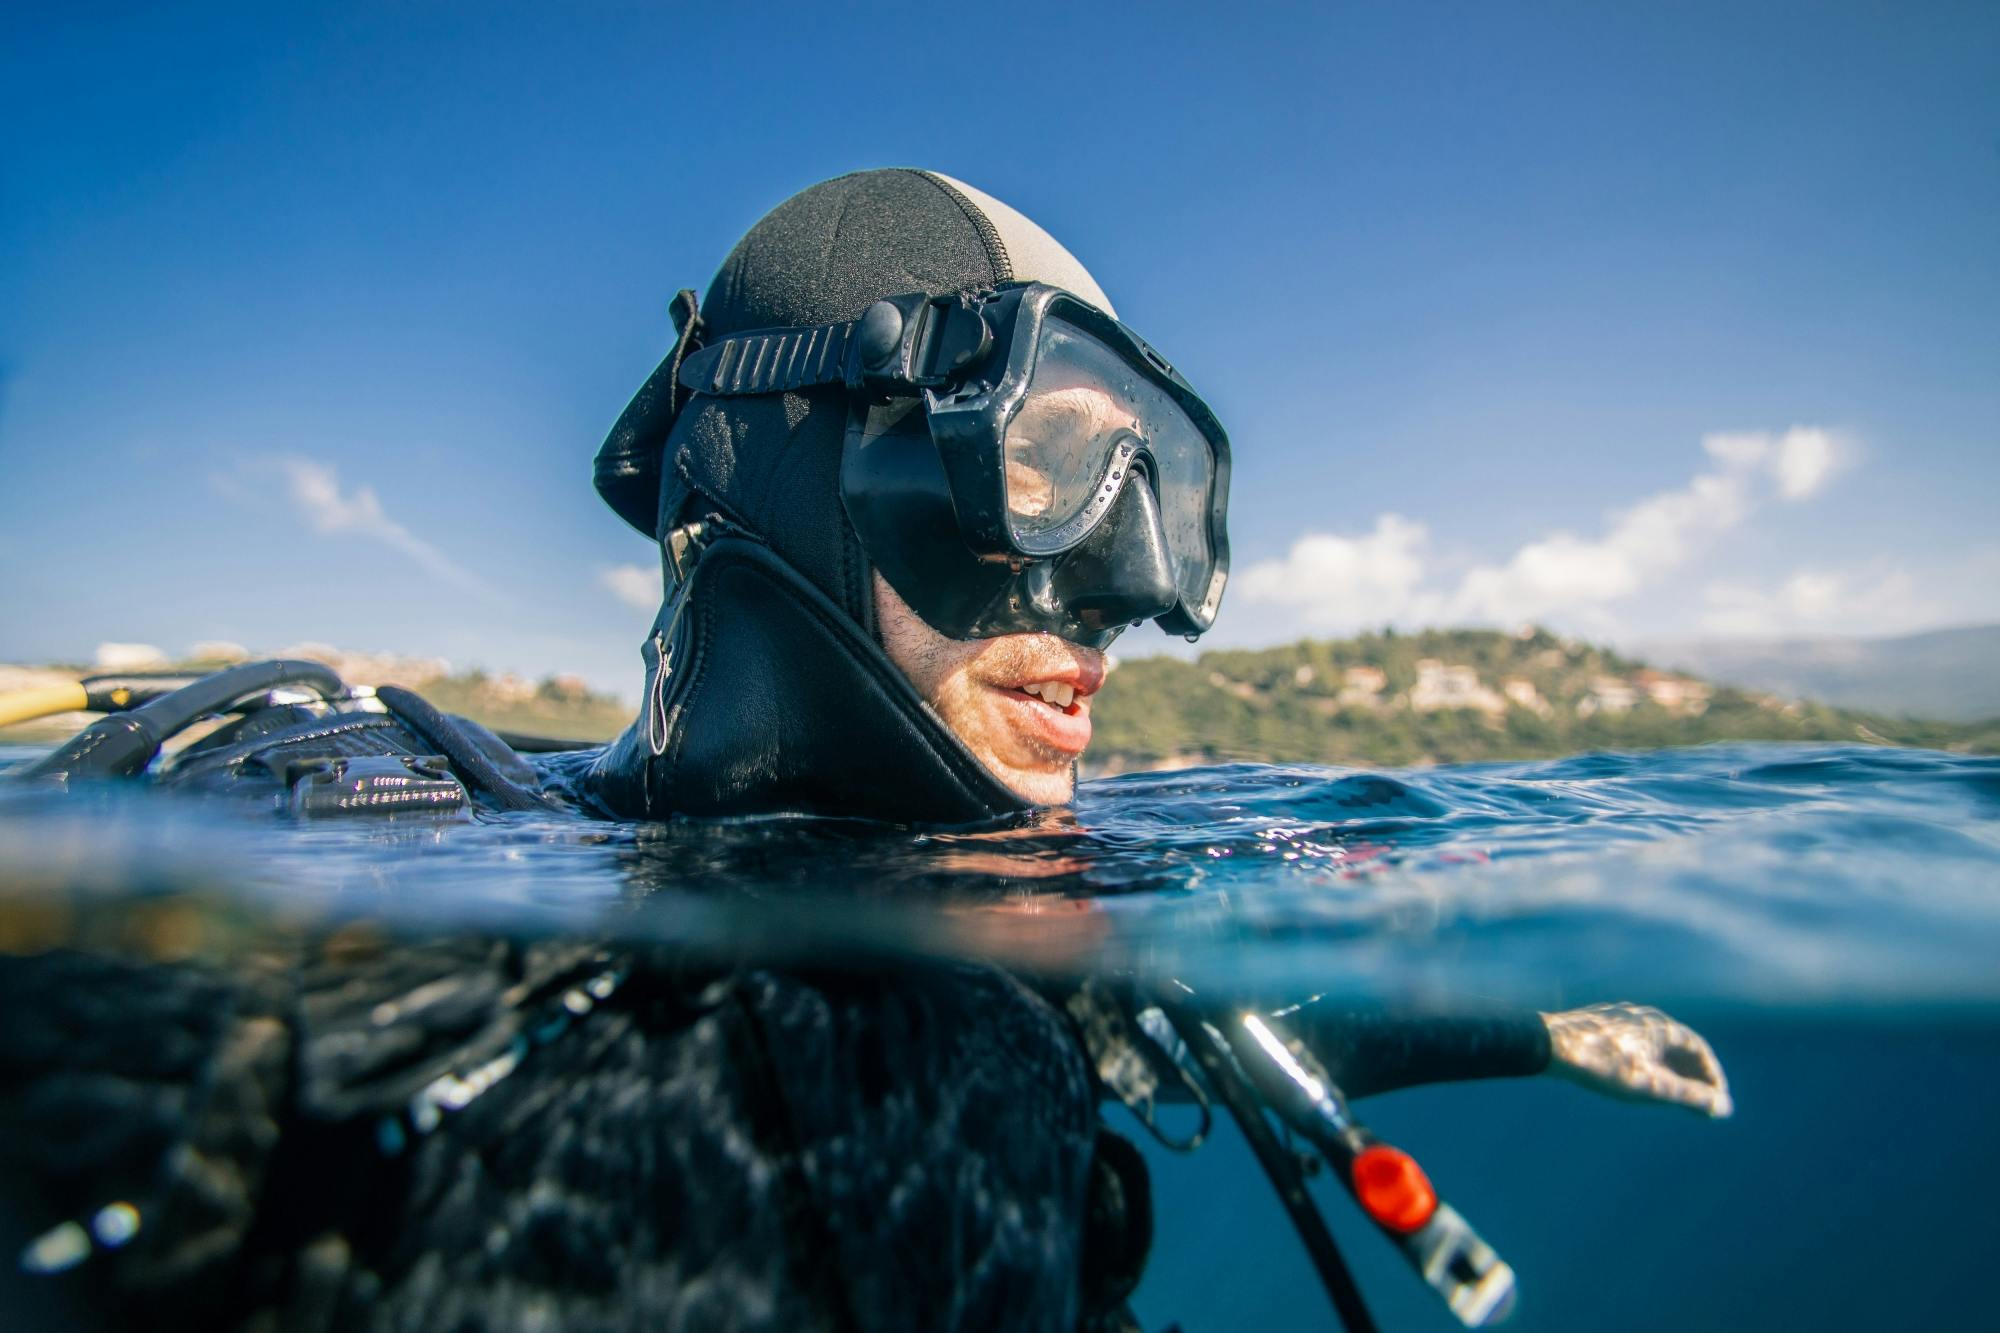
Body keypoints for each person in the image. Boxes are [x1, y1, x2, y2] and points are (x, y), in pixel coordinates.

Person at [0, 169, 1726, 1332]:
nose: (1119, 592)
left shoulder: (1012, 901)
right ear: (800, 464)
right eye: (1047, 466)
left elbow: (1186, 999)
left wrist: (1533, 1024)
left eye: (1162, 501)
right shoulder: (346, 837)